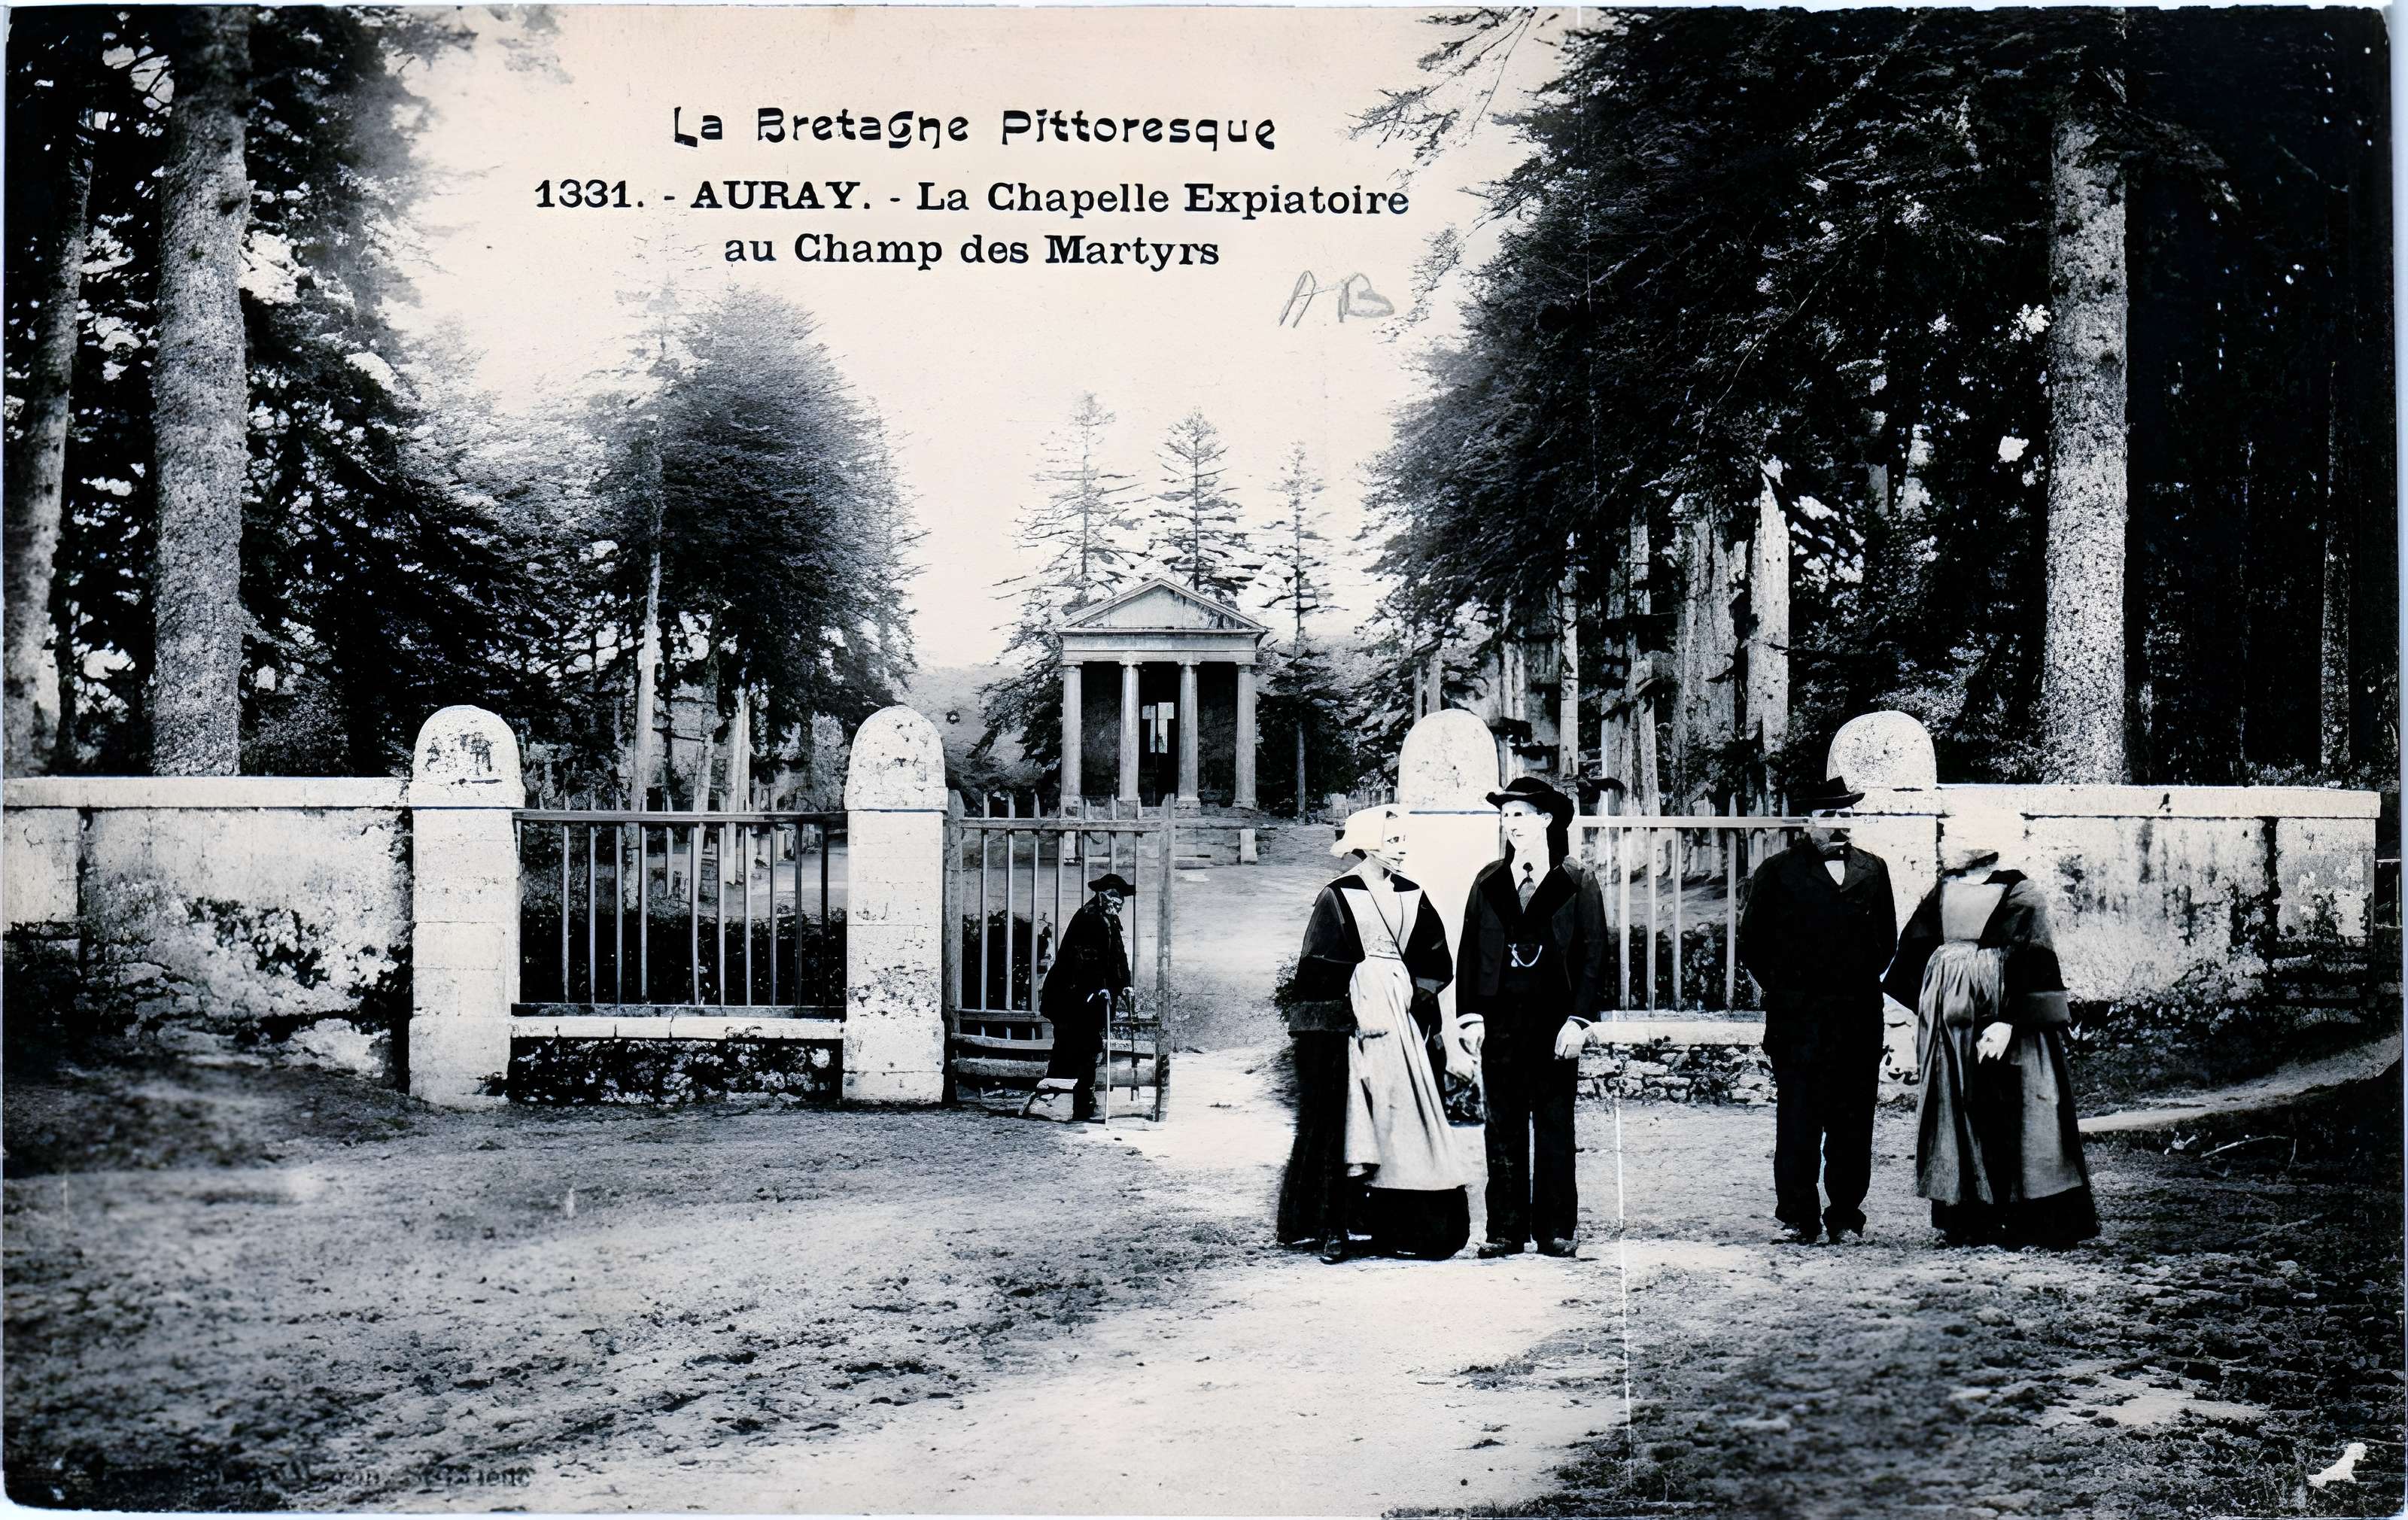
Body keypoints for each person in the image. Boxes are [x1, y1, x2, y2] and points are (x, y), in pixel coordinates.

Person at [1885, 813, 2099, 1249]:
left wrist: (2008, 1022)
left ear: (1986, 843)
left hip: (2007, 1026)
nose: (1948, 841)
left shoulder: (2022, 893)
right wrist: (1929, 1009)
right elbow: (1912, 951)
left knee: (2016, 1111)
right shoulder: (1944, 890)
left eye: (1958, 833)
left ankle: (2026, 1218)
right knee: (1957, 1108)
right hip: (1951, 1029)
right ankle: (1968, 1217)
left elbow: (2033, 957)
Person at [1275, 805, 1467, 1263]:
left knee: (1401, 1120)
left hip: (1400, 1024)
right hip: (1351, 1025)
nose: (1402, 848)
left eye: (1404, 839)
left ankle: (1397, 1228)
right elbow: (1317, 969)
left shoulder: (1413, 894)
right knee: (1348, 1121)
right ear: (1368, 842)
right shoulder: (1337, 896)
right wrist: (1347, 1021)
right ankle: (1334, 1227)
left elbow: (1435, 960)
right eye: (1392, 839)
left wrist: (1415, 999)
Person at [1737, 775, 1899, 1245]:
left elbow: (1886, 940)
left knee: (1853, 1119)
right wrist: (1790, 990)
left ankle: (1846, 1215)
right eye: (1830, 816)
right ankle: (1797, 1216)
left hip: (1857, 1015)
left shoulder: (1874, 869)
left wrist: (1854, 980)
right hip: (1797, 1018)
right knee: (1799, 1119)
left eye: (1847, 815)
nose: (1840, 824)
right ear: (1808, 822)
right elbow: (1752, 943)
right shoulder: (1778, 872)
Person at [1456, 777, 1607, 1259]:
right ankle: (1504, 1230)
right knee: (1501, 1126)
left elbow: (1593, 954)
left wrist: (1579, 1021)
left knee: (1555, 1124)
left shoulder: (1576, 880)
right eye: (1505, 815)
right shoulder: (1488, 881)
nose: (1510, 823)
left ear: (1546, 820)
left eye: (1520, 814)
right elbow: (1469, 952)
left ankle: (1556, 1230)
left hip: (1554, 1024)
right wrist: (1472, 1016)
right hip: (1499, 1023)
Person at [1041, 872, 1133, 1122]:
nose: (1118, 904)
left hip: (1089, 997)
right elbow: (1084, 959)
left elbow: (1118, 954)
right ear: (1102, 896)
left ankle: (1080, 1103)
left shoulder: (1109, 919)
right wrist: (1099, 987)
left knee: (1087, 1047)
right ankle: (1057, 1100)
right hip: (1072, 996)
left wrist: (1126, 984)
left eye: (1121, 900)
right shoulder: (1089, 918)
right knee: (1074, 1048)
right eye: (1114, 899)